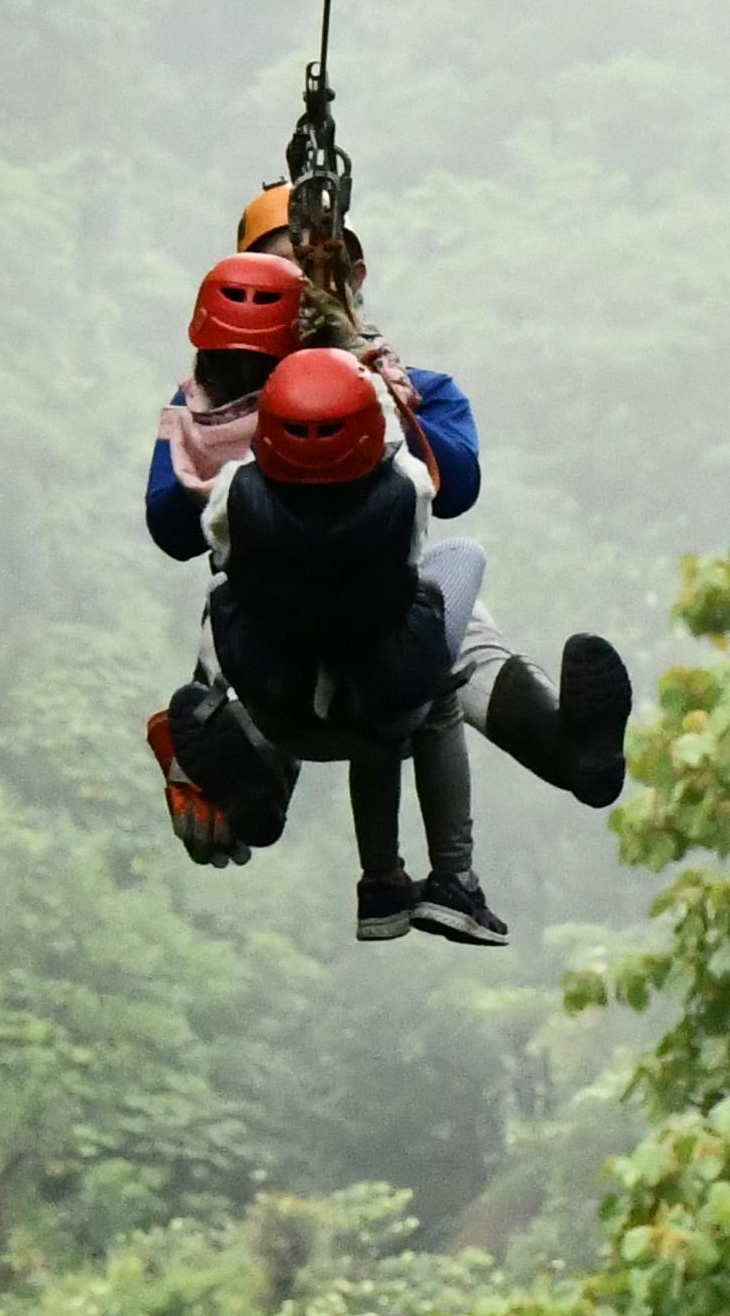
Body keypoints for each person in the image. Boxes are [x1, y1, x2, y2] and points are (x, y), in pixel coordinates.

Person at [140, 222, 628, 943]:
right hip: (356, 660)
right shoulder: (224, 410)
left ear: (349, 277)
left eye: (313, 277)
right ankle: (261, 792)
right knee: (434, 609)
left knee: (439, 624)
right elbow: (173, 526)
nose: (298, 302)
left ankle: (563, 746)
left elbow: (454, 477)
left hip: (302, 653)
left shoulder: (396, 390)